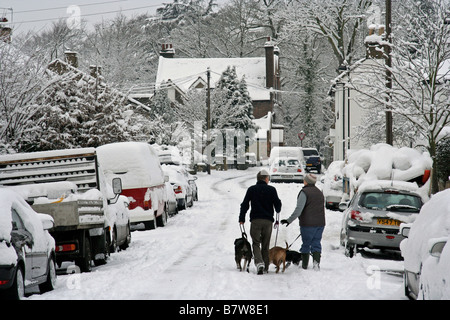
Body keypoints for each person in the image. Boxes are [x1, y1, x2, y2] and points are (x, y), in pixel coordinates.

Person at [239, 169, 282, 274]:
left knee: (256, 243)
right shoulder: (272, 190)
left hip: (256, 220)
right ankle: (266, 266)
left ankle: (259, 263)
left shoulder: (251, 189)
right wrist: (278, 205)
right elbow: (278, 207)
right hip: (268, 221)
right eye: (268, 178)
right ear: (266, 179)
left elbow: (245, 204)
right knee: (266, 244)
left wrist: (241, 218)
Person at [281, 173, 325, 270]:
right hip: (320, 223)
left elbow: (299, 209)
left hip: (308, 224)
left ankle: (304, 265)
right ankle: (316, 264)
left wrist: (289, 220)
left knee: (306, 244)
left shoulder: (304, 192)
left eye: (304, 179)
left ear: (307, 181)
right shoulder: (319, 192)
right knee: (316, 243)